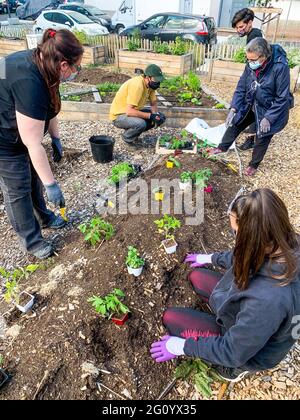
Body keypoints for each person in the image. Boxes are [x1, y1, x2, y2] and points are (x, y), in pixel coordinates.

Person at [150, 189, 300, 382]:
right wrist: (210, 258)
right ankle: (224, 319)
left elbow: (232, 351)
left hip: (246, 353)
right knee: (197, 276)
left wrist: (180, 347)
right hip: (255, 321)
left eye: (236, 232)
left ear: (251, 238)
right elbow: (241, 255)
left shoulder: (267, 300)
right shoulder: (288, 242)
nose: (235, 237)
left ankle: (232, 372)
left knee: (171, 317)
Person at [0, 29, 83, 259]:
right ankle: (32, 241)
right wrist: (52, 185)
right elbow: (33, 143)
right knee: (17, 186)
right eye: (77, 66)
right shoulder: (30, 81)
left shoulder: (45, 64)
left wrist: (56, 137)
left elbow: (50, 107)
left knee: (34, 175)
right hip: (4, 140)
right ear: (64, 64)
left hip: (16, 123)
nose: (77, 71)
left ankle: (44, 217)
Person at [207, 38, 293, 177]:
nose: (250, 63)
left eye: (253, 60)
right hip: (252, 102)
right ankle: (222, 147)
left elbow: (282, 98)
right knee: (236, 122)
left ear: (264, 56)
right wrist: (234, 108)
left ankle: (253, 164)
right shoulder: (250, 64)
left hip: (269, 107)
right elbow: (241, 87)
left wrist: (269, 118)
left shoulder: (280, 67)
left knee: (263, 135)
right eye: (248, 59)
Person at [109, 64, 166, 147]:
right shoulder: (137, 85)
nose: (157, 83)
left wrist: (156, 116)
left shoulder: (150, 86)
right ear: (147, 77)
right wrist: (151, 116)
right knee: (141, 124)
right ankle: (127, 138)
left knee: (161, 116)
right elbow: (129, 112)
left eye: (159, 80)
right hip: (118, 116)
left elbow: (153, 103)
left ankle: (133, 134)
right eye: (156, 80)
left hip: (131, 112)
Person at [232, 7, 263, 151]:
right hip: (254, 76)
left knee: (253, 106)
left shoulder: (255, 35)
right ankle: (253, 137)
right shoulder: (252, 35)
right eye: (237, 28)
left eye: (241, 26)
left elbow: (258, 60)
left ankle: (252, 139)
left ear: (250, 22)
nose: (239, 30)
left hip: (257, 78)